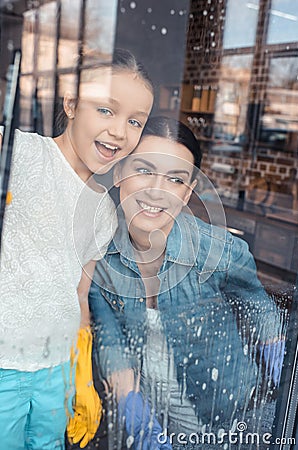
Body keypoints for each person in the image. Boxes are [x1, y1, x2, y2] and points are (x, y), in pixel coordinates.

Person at [89, 116, 285, 449]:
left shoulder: (220, 252)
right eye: (144, 170)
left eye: (175, 179)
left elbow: (265, 321)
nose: (156, 190)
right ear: (119, 172)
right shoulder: (99, 258)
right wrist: (136, 416)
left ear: (189, 190)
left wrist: (286, 393)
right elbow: (112, 346)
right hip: (158, 425)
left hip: (236, 422)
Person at [0, 48, 154, 450]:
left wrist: (81, 371)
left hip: (56, 371)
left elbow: (79, 292)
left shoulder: (104, 210)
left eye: (135, 121)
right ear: (70, 103)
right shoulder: (20, 154)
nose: (121, 131)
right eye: (106, 110)